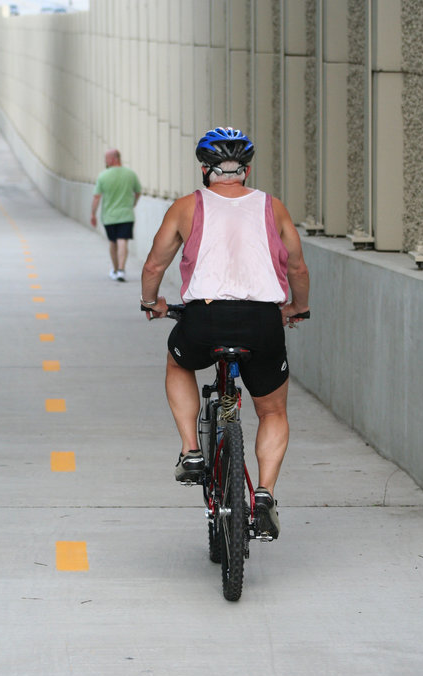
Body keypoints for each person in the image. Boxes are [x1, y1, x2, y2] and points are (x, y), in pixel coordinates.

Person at [140, 127, 309, 537]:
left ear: (204, 169)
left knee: (179, 362)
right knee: (272, 411)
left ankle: (191, 450)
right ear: (246, 171)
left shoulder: (186, 207)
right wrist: (297, 308)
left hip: (205, 318)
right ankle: (264, 495)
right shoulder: (273, 207)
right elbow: (297, 267)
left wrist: (152, 303)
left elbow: (154, 267)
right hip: (263, 321)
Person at [91, 149, 141, 281]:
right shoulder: (130, 174)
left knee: (113, 242)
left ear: (114, 159)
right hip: (126, 214)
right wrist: (133, 203)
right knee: (122, 240)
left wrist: (93, 214)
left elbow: (96, 197)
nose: (105, 161)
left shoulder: (103, 176)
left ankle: (115, 269)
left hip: (109, 216)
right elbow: (138, 192)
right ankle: (121, 270)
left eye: (106, 159)